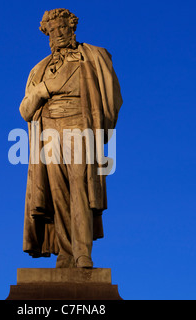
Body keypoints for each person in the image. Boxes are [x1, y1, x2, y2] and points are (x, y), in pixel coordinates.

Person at [19, 8, 122, 268]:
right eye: (52, 31)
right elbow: (24, 110)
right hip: (49, 132)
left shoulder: (95, 56)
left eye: (62, 28)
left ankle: (82, 252)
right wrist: (44, 89)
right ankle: (65, 253)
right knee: (58, 194)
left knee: (80, 189)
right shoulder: (39, 70)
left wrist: (100, 131)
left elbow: (112, 98)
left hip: (81, 126)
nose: (57, 34)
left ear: (72, 27)